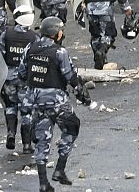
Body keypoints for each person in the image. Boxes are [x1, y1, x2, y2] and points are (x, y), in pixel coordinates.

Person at [18, 16, 89, 191]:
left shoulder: (30, 48)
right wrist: (83, 95)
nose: (62, 33)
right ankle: (59, 169)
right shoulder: (59, 52)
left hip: (36, 102)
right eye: (60, 30)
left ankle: (43, 183)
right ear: (54, 33)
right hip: (57, 102)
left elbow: (21, 73)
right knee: (72, 127)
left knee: (42, 140)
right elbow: (70, 76)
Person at [0, 4, 39, 153]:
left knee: (10, 107)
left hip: (8, 78)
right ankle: (27, 145)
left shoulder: (6, 34)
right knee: (27, 112)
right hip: (26, 80)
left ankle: (11, 134)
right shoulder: (34, 37)